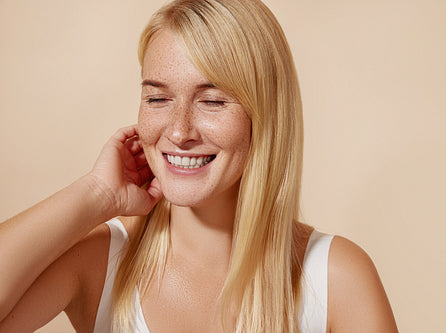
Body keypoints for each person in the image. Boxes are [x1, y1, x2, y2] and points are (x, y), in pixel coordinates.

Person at [0, 0, 398, 332]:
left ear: (265, 116)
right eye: (157, 99)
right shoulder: (101, 261)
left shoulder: (335, 278)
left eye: (212, 101)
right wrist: (94, 195)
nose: (178, 131)